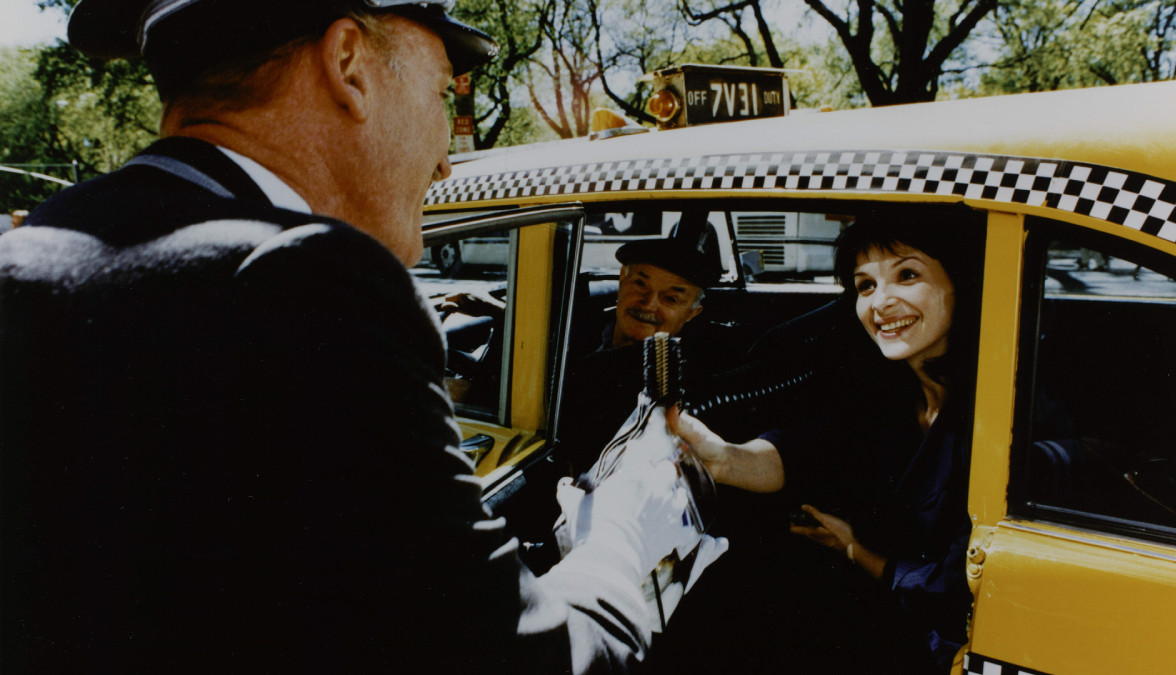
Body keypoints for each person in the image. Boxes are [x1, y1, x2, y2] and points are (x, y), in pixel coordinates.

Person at [0, 1, 708, 671]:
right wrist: (620, 535)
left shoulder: (29, 253)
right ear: (347, 64)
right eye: (441, 93)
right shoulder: (306, 280)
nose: (443, 161)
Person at [668, 214, 983, 673]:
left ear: (961, 282)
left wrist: (859, 553)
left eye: (907, 275)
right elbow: (810, 451)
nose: (881, 303)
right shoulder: (893, 392)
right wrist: (722, 458)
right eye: (865, 286)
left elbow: (958, 592)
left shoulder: (995, 416)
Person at [554, 214, 724, 477]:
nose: (648, 304)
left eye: (670, 298)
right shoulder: (575, 329)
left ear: (692, 313)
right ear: (622, 279)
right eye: (640, 284)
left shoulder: (675, 380)